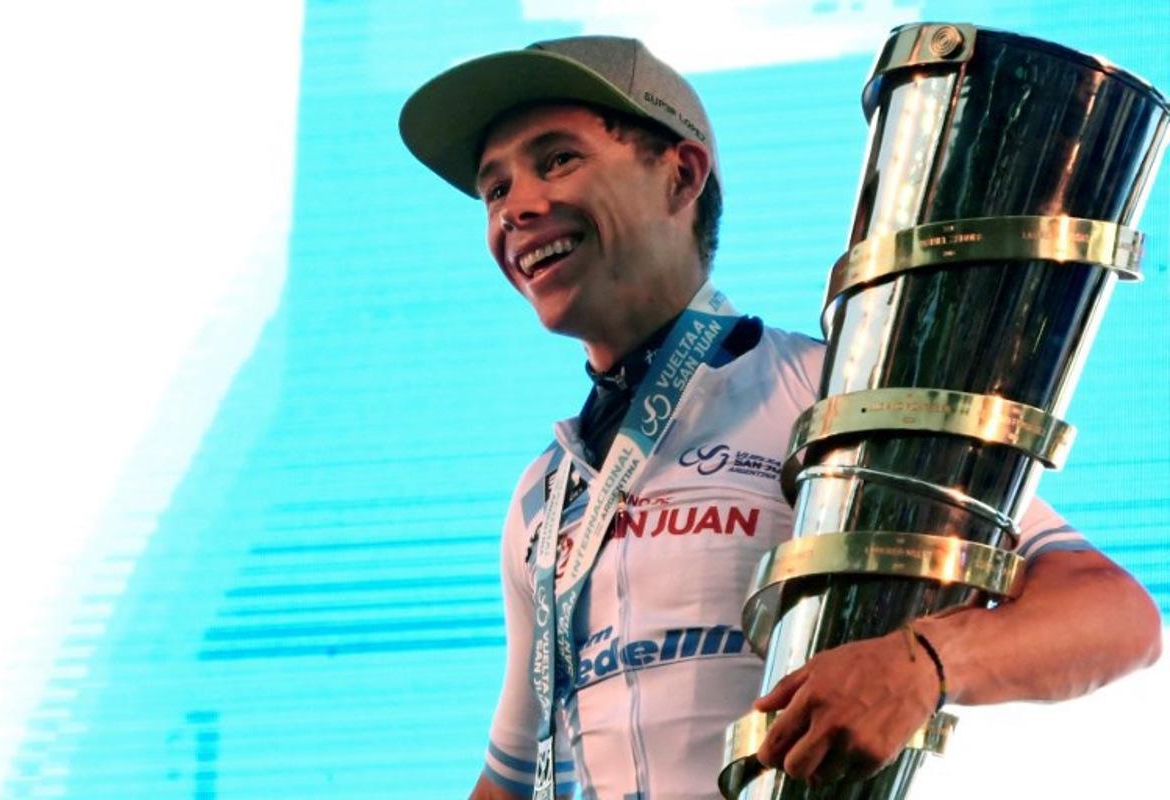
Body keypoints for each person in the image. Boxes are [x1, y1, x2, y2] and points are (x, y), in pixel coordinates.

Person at [398, 36, 1162, 800]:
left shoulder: (829, 392)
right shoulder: (545, 493)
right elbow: (510, 775)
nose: (519, 207)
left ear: (682, 174)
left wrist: (924, 663)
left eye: (557, 159)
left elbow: (1113, 613)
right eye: (495, 190)